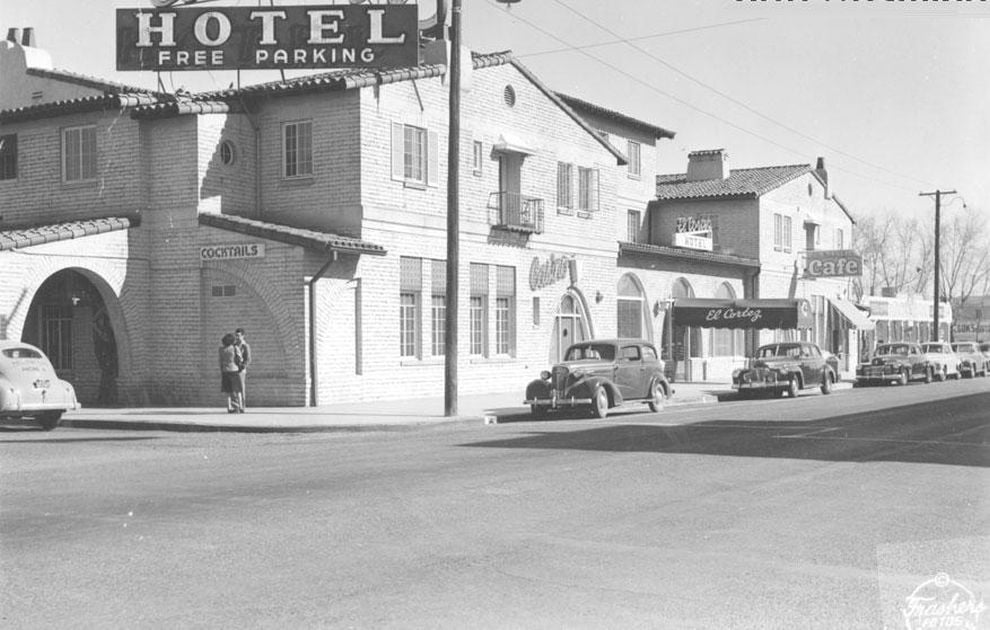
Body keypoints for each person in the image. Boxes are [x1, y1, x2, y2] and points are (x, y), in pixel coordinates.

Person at [219, 332, 243, 413]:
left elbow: (220, 361)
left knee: (228, 391)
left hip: (225, 370)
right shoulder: (235, 348)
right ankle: (240, 406)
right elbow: (240, 358)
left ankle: (229, 407)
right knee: (238, 390)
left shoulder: (221, 349)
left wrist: (221, 369)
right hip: (234, 369)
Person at [234, 327, 252, 410]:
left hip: (241, 370)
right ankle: (237, 405)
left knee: (241, 387)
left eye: (239, 335)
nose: (237, 337)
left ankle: (243, 406)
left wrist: (242, 366)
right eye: (236, 336)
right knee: (235, 388)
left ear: (243, 336)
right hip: (234, 369)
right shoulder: (234, 345)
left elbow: (248, 359)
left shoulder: (245, 346)